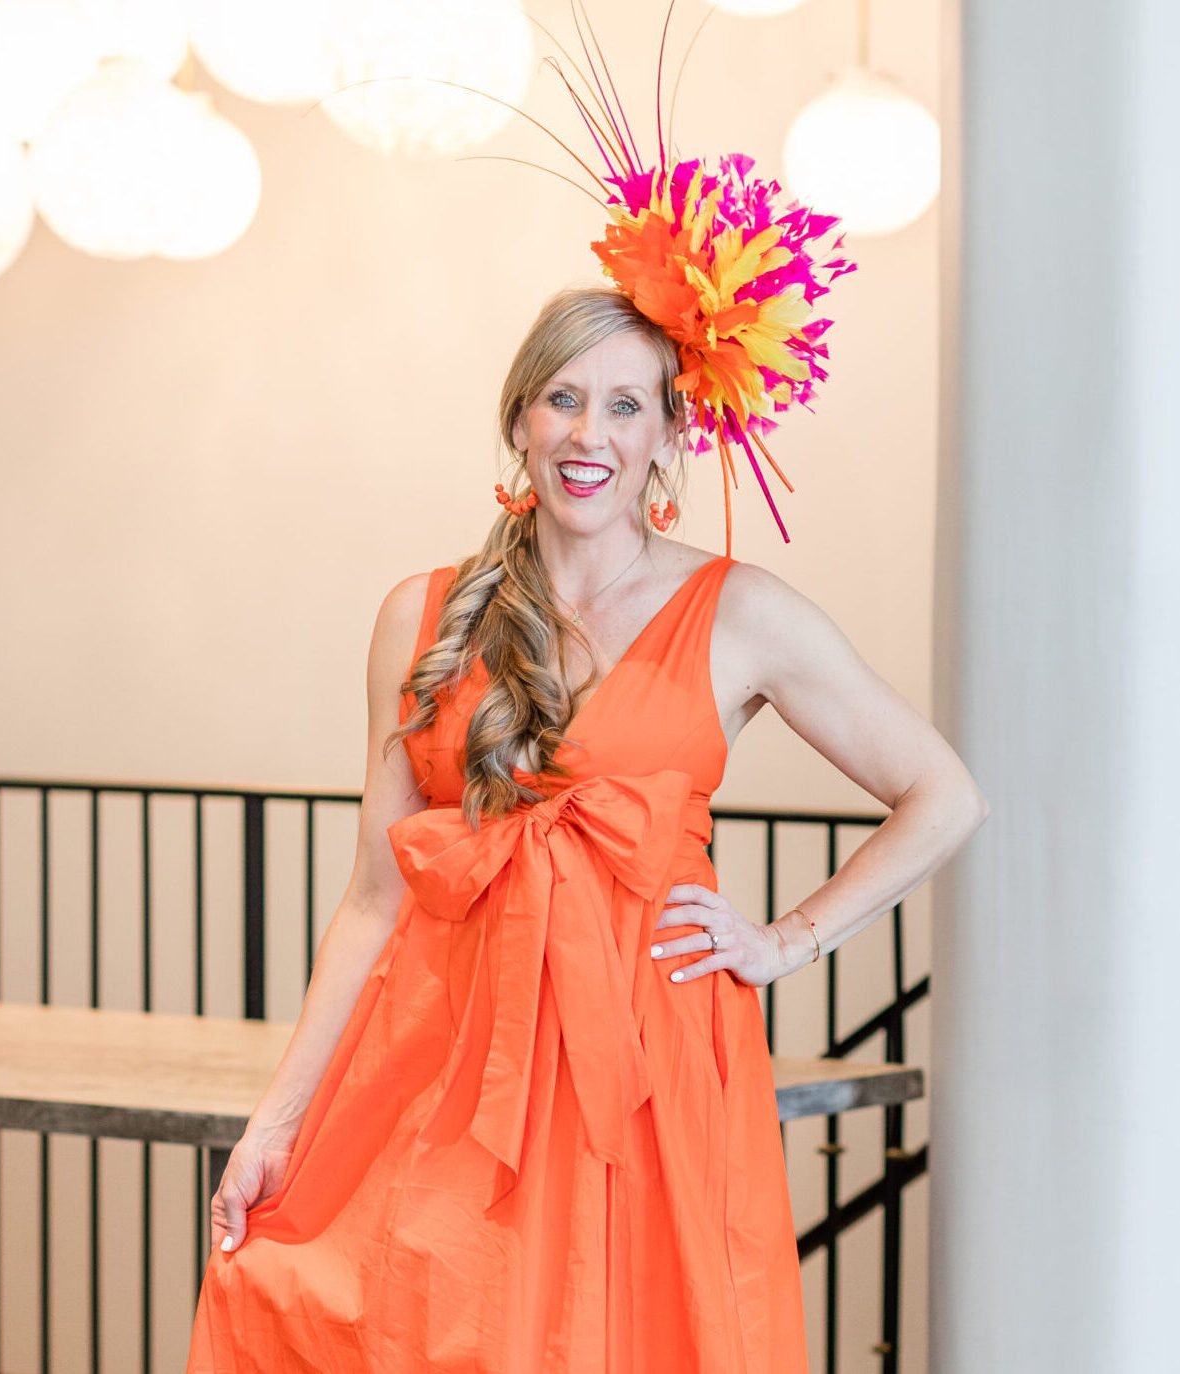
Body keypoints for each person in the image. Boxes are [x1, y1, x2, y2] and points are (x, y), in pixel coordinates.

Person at [185, 285, 990, 1373]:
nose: (587, 434)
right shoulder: (419, 617)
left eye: (623, 406)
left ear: (669, 432)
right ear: (519, 418)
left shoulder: (740, 613)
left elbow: (941, 793)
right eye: (562, 398)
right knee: (385, 1317)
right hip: (447, 1049)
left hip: (645, 1062)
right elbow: (375, 896)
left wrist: (784, 940)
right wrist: (276, 1122)